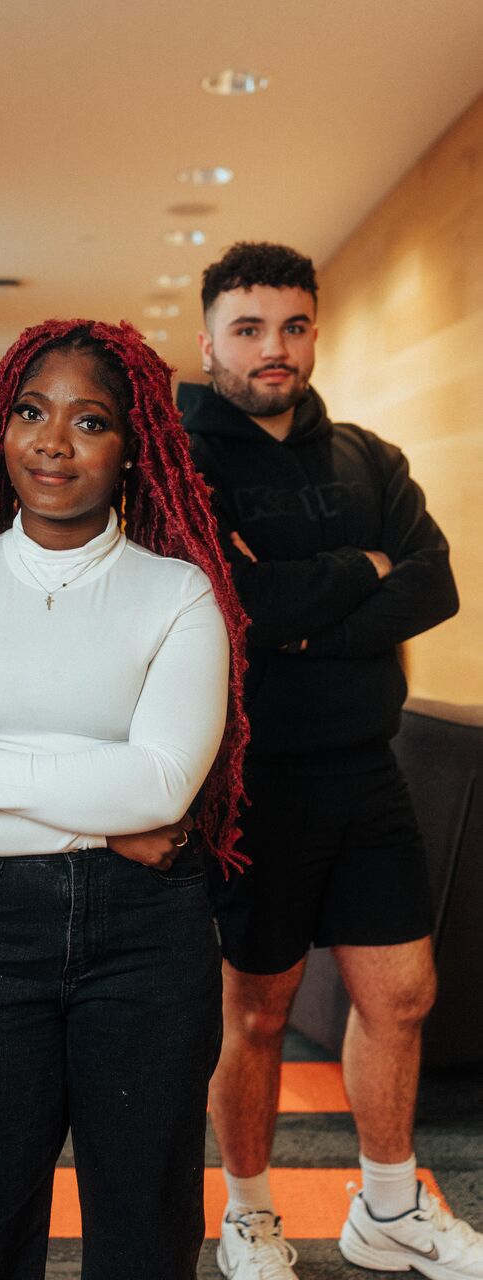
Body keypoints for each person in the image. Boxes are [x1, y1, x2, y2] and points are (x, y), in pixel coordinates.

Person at [0, 318, 249, 1280]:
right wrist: (103, 813)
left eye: (91, 421)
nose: (53, 441)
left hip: (149, 936)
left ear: (134, 449)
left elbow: (163, 783)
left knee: (144, 1224)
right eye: (31, 412)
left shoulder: (179, 593)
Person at [180, 241, 482, 1280]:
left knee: (400, 993)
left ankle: (389, 1208)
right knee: (255, 1009)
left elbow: (433, 582)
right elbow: (231, 605)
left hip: (369, 765)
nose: (275, 348)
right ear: (209, 336)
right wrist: (358, 569)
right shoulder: (186, 461)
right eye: (250, 327)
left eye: (294, 325)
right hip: (252, 779)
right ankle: (250, 1212)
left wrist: (311, 622)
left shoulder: (365, 454)